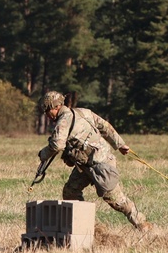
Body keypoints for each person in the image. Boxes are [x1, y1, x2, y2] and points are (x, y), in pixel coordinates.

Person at [36, 91, 150, 231]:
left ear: (55, 107)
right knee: (71, 191)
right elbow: (105, 126)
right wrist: (119, 144)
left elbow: (57, 145)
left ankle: (142, 224)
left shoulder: (63, 123)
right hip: (85, 166)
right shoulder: (84, 112)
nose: (47, 115)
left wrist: (43, 154)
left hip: (101, 165)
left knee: (116, 200)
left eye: (47, 111)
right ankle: (85, 227)